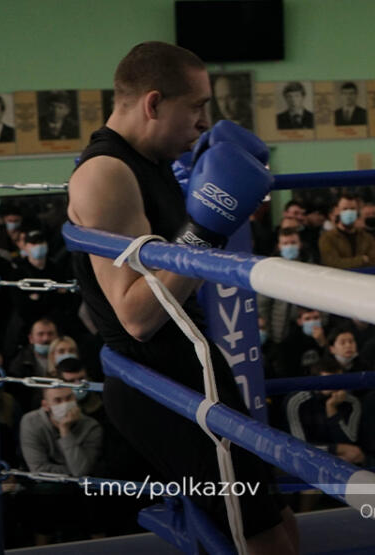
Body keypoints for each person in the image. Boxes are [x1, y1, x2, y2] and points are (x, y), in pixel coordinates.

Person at [66, 42, 297, 553]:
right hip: (163, 383)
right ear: (153, 103)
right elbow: (136, 316)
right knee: (258, 540)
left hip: (192, 367)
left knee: (279, 524)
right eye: (196, 107)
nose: (203, 122)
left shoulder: (153, 164)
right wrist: (205, 232)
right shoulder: (107, 173)